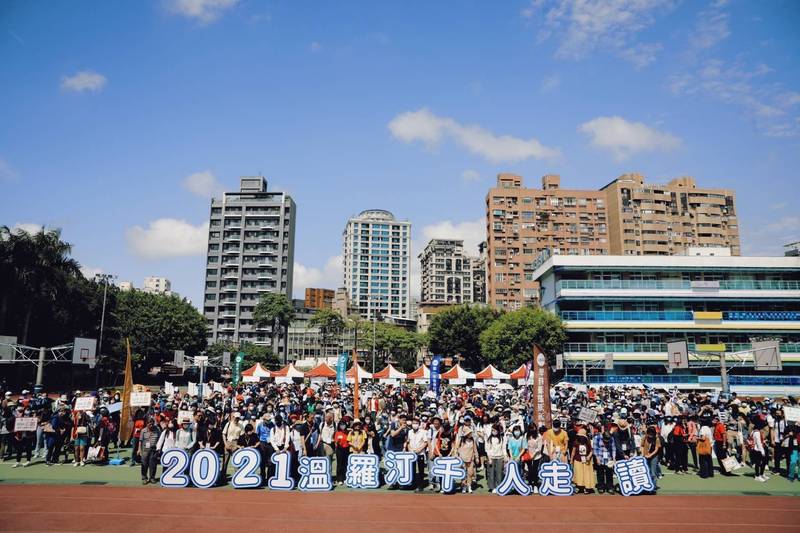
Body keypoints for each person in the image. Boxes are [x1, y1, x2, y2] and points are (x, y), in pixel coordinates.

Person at [406, 417, 429, 491]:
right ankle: (413, 484)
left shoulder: (423, 432)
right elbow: (408, 442)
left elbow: (425, 442)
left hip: (420, 453)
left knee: (421, 470)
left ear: (419, 424)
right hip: (412, 453)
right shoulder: (409, 432)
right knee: (412, 469)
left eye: (416, 423)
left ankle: (421, 485)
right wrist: (409, 449)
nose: (414, 425)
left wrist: (419, 449)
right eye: (413, 423)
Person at [454, 427, 478, 493]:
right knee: (463, 474)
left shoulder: (473, 440)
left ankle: (469, 486)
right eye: (470, 433)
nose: (471, 434)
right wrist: (456, 455)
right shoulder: (461, 440)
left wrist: (477, 457)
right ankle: (463, 486)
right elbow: (456, 448)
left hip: (470, 459)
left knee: (470, 473)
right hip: (462, 459)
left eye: (471, 433)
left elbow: (475, 450)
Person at [571, 428, 595, 494]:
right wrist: (571, 460)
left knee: (587, 474)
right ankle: (579, 487)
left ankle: (587, 488)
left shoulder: (588, 442)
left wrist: (589, 456)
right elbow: (573, 452)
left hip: (587, 461)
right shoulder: (576, 442)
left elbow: (591, 451)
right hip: (578, 460)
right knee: (578, 474)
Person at [593, 427, 616, 494]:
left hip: (608, 458)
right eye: (605, 440)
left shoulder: (611, 439)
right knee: (600, 472)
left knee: (609, 473)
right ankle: (601, 487)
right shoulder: (597, 438)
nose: (606, 442)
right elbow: (595, 449)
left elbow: (613, 448)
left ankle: (610, 487)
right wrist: (597, 458)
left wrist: (614, 458)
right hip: (600, 457)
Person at [139, 418, 160, 484]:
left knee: (153, 464)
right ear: (146, 423)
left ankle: (152, 478)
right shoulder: (143, 430)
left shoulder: (157, 430)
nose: (151, 425)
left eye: (152, 423)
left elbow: (160, 440)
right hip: (145, 449)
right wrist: (139, 449)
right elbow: (140, 441)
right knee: (144, 464)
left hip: (154, 449)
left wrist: (159, 449)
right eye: (149, 423)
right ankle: (144, 478)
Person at [484, 424, 505, 494]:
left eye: (494, 430)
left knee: (499, 472)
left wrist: (505, 457)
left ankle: (498, 486)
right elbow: (487, 449)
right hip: (492, 457)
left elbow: (503, 448)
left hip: (500, 457)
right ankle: (492, 487)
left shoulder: (502, 438)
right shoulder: (489, 439)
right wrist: (489, 458)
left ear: (498, 431)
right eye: (492, 430)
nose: (493, 431)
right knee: (491, 473)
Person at [333, 420, 349, 485]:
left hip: (346, 449)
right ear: (339, 426)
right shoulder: (337, 433)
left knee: (345, 464)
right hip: (339, 449)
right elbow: (336, 442)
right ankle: (339, 479)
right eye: (341, 425)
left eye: (344, 424)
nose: (343, 426)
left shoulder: (348, 432)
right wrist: (337, 443)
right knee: (339, 464)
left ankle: (345, 478)